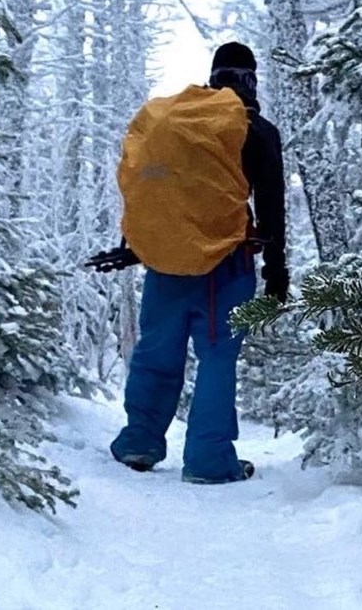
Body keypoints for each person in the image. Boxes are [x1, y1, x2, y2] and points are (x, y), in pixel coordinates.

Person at [107, 42, 289, 484]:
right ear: (251, 79)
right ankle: (208, 461)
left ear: (214, 76)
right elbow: (270, 204)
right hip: (224, 264)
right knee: (216, 358)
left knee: (156, 352)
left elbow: (150, 192)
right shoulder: (254, 130)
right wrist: (277, 269)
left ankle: (139, 442)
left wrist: (134, 245)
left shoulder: (173, 125)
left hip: (164, 261)